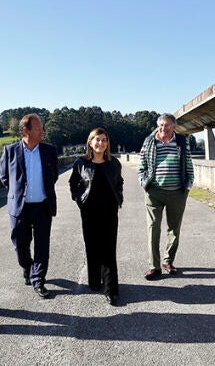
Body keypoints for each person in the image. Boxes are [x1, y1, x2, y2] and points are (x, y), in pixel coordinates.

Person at [0, 113, 58, 299]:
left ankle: (38, 279)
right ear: (26, 131)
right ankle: (27, 267)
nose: (42, 131)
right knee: (20, 243)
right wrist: (18, 193)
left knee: (42, 245)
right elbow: (4, 177)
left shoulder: (49, 150)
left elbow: (53, 175)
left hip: (42, 206)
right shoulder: (10, 150)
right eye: (39, 127)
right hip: (20, 207)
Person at [69, 128, 124, 306]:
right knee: (92, 248)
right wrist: (78, 198)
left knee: (108, 250)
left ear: (107, 143)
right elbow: (73, 183)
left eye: (104, 140)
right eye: (97, 140)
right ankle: (94, 281)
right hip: (89, 211)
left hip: (109, 211)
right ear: (90, 142)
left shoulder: (113, 163)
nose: (101, 143)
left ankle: (111, 289)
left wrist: (119, 198)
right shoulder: (81, 163)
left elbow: (119, 182)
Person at [138, 113, 194, 280]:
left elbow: (188, 162)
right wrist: (143, 183)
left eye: (167, 125)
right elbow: (142, 165)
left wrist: (189, 184)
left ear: (174, 126)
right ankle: (154, 267)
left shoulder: (182, 141)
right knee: (153, 228)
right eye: (161, 125)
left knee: (174, 229)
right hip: (154, 192)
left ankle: (167, 261)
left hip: (177, 192)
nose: (163, 128)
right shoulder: (149, 141)